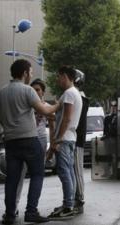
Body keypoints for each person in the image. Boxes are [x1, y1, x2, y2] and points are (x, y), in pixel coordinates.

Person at [0, 59, 59, 224]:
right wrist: (57, 105)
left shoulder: (2, 92)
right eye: (30, 72)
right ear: (24, 73)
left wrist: (10, 128)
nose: (31, 74)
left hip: (10, 141)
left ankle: (10, 215)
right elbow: (45, 110)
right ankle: (31, 212)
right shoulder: (27, 90)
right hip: (29, 140)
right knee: (38, 174)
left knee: (12, 179)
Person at [13, 78, 55, 213]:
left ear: (43, 92)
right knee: (20, 173)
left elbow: (53, 125)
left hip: (41, 141)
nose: (35, 92)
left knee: (37, 174)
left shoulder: (46, 106)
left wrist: (52, 145)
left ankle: (32, 206)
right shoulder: (27, 104)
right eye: (33, 89)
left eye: (38, 89)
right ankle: (14, 205)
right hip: (25, 138)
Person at [47, 66, 82, 220]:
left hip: (65, 138)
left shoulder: (68, 94)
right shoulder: (74, 93)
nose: (57, 79)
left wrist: (57, 139)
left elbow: (66, 118)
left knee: (64, 172)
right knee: (69, 171)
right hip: (70, 137)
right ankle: (70, 204)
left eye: (58, 76)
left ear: (66, 76)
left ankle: (68, 206)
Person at [72, 69, 88, 214]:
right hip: (74, 139)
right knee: (75, 170)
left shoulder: (80, 98)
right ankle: (75, 198)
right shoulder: (79, 97)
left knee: (77, 170)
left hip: (76, 140)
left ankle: (80, 199)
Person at [101, 100, 118, 177]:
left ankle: (115, 172)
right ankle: (107, 171)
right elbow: (105, 130)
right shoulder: (107, 118)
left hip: (117, 140)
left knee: (115, 156)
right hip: (108, 139)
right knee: (107, 156)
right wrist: (105, 137)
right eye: (112, 107)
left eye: (115, 107)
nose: (114, 109)